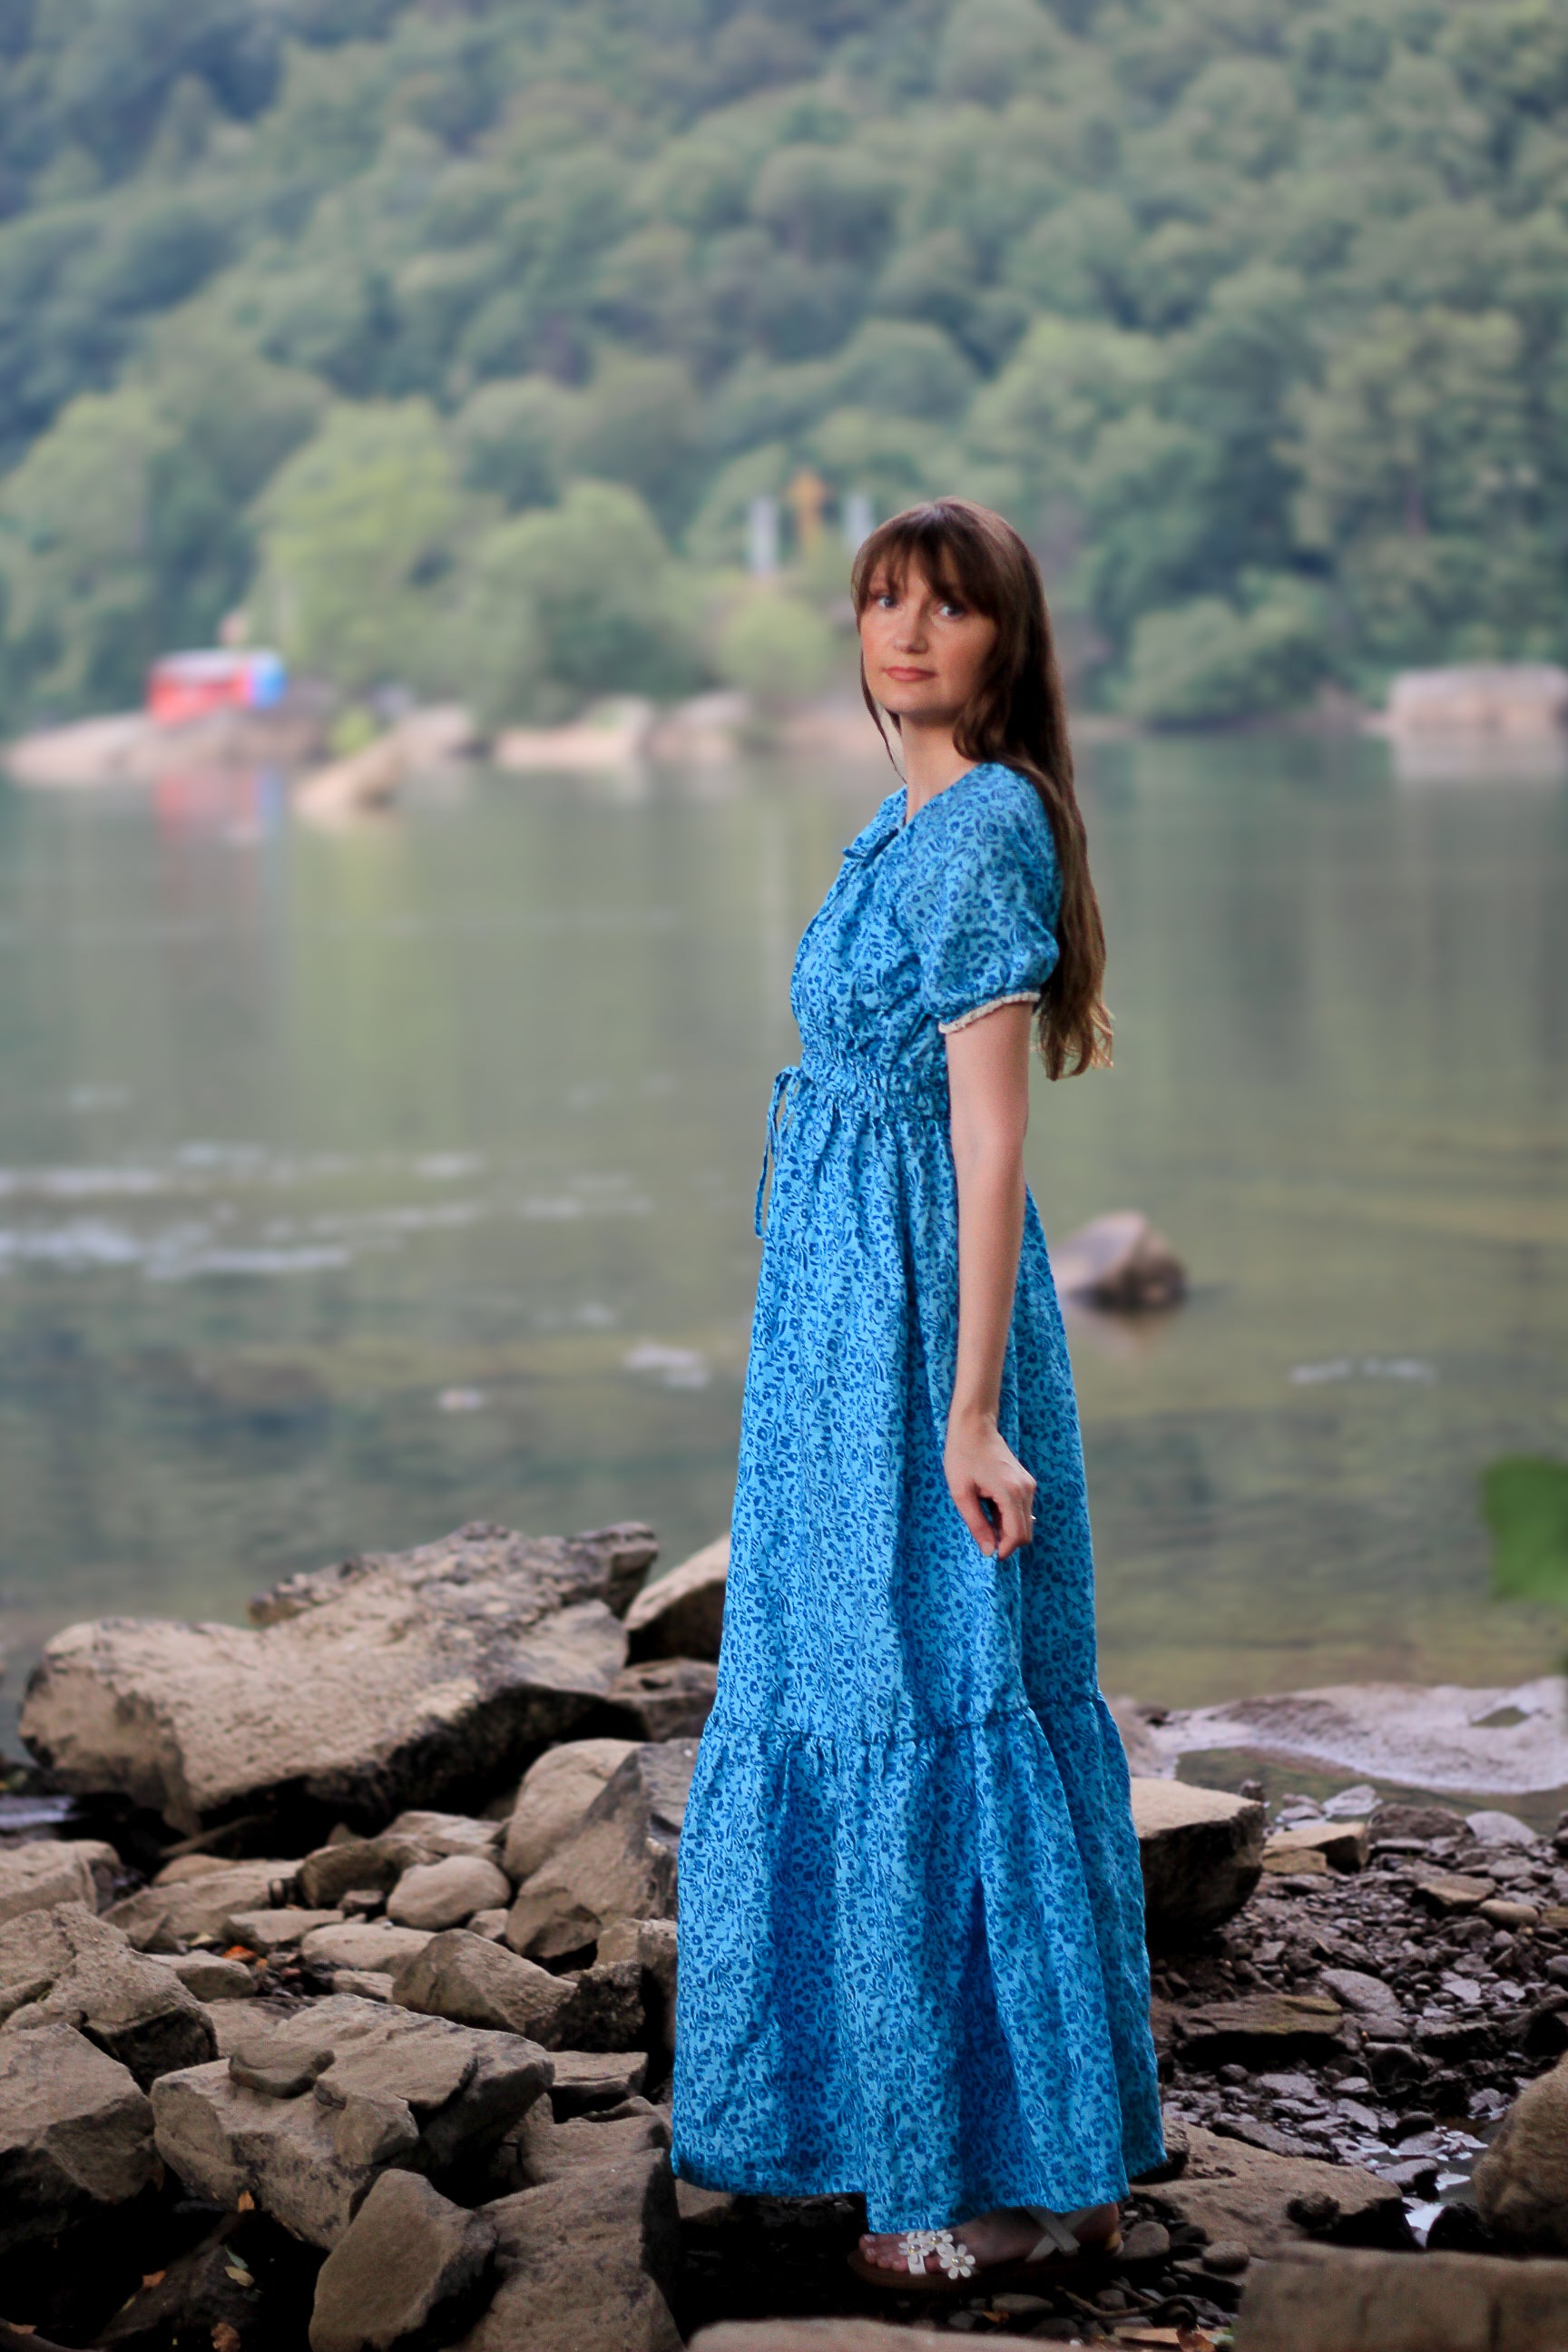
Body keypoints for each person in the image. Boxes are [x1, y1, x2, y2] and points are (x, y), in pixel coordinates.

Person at [671, 496, 1163, 2295]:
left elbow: (988, 1128)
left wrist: (968, 1412)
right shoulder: (909, 820)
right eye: (883, 600)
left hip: (910, 1324)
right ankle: (1032, 2159)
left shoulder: (976, 836)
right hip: (840, 1309)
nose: (904, 631)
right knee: (889, 1675)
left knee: (925, 1681)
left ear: (1003, 644)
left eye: (946, 609)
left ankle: (951, 2190)